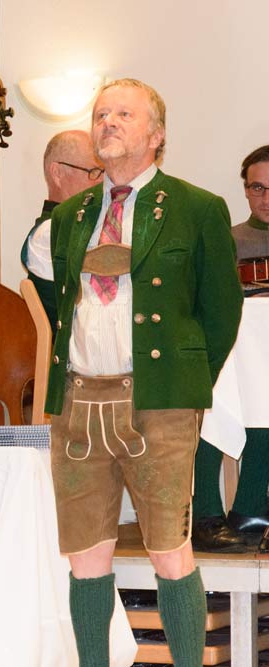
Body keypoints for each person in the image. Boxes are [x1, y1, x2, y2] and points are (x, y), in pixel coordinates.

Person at [40, 78, 242, 667]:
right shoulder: (71, 215)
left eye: (123, 114)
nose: (107, 122)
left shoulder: (197, 208)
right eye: (101, 113)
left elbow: (221, 313)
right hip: (78, 400)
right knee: (85, 557)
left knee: (170, 552)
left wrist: (183, 385)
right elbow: (65, 305)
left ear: (156, 135)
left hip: (159, 403)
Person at [191, 144, 269, 552]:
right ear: (245, 190)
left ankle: (251, 508)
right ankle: (206, 513)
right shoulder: (228, 239)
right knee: (213, 398)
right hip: (234, 352)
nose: (266, 198)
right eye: (257, 188)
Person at [20, 130, 103, 326]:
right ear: (57, 173)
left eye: (104, 172)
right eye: (93, 172)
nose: (102, 181)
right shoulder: (50, 233)